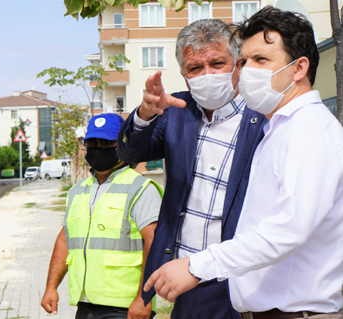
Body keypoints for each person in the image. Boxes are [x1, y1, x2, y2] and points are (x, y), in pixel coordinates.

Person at [146, 6, 343, 319]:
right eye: (243, 61)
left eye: (261, 60)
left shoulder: (309, 131)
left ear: (298, 68)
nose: (246, 71)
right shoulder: (278, 129)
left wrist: (198, 265)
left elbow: (288, 228)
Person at [116, 19, 267, 319]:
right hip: (183, 277)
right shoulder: (176, 111)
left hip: (239, 277)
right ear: (184, 76)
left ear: (237, 65)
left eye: (217, 63)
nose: (207, 75)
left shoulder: (263, 116)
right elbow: (130, 152)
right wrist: (146, 113)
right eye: (195, 68)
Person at [41, 113, 163, 319]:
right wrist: (51, 287)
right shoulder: (77, 191)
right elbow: (65, 240)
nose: (98, 149)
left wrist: (144, 298)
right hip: (85, 304)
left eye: (106, 143)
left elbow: (155, 242)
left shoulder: (141, 189)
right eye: (92, 143)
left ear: (124, 145)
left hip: (124, 308)